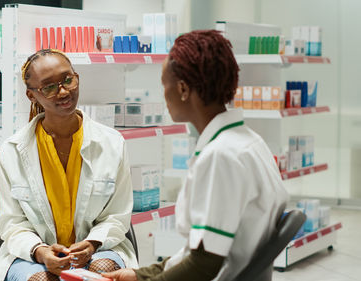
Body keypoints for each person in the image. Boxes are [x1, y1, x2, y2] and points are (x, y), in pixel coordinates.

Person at [103, 30, 289, 281]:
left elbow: (204, 265)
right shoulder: (249, 142)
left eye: (164, 86)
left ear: (182, 89)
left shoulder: (220, 157)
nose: (164, 95)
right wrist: (140, 275)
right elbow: (198, 252)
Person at [0, 49, 137, 281]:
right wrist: (41, 252)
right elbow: (12, 224)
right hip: (32, 255)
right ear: (32, 96)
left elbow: (117, 215)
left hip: (100, 249)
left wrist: (92, 244)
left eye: (67, 79)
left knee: (101, 271)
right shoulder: (12, 151)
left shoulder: (111, 143)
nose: (63, 91)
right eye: (49, 87)